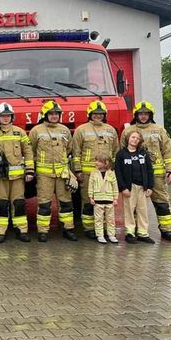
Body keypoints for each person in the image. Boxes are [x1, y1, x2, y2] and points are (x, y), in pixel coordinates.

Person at [120, 101, 171, 241]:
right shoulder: (128, 131)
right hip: (134, 175)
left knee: (161, 203)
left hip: (156, 174)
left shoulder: (159, 130)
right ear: (136, 115)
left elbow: (168, 151)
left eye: (146, 114)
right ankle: (135, 231)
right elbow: (122, 153)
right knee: (133, 205)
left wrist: (170, 170)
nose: (143, 116)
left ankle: (166, 230)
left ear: (150, 115)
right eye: (141, 113)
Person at [0, 103, 34, 243]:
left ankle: (21, 230)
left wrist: (29, 171)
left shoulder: (20, 132)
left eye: (8, 116)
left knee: (18, 203)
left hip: (17, 177)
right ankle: (1, 231)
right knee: (2, 203)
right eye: (3, 116)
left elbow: (28, 152)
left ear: (12, 117)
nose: (6, 118)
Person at [29, 101, 78, 242]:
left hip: (62, 173)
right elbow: (30, 151)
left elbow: (68, 149)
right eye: (51, 114)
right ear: (45, 115)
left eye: (57, 114)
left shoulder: (65, 130)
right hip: (44, 174)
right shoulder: (36, 131)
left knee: (66, 203)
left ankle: (68, 229)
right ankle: (43, 231)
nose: (54, 116)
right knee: (44, 203)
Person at [72, 101, 119, 239]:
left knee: (106, 201)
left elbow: (115, 151)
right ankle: (89, 228)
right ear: (90, 115)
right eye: (95, 114)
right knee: (88, 200)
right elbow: (76, 152)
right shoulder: (81, 130)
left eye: (100, 114)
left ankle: (104, 228)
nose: (98, 116)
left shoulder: (111, 130)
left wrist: (113, 170)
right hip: (88, 173)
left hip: (107, 174)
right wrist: (78, 171)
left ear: (104, 115)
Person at [115, 130, 155, 244]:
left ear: (140, 141)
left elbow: (149, 170)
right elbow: (118, 173)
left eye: (137, 138)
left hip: (142, 187)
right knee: (129, 211)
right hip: (129, 188)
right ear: (128, 139)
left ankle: (143, 233)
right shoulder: (121, 154)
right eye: (133, 137)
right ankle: (130, 233)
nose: (135, 140)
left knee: (143, 211)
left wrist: (150, 187)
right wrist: (123, 188)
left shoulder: (143, 154)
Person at [88, 154, 119, 244]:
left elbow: (115, 187)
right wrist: (91, 197)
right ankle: (100, 235)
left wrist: (115, 198)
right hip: (98, 200)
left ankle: (111, 235)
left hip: (109, 200)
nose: (96, 163)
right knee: (98, 219)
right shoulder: (93, 173)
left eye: (99, 161)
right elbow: (91, 186)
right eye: (96, 160)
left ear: (106, 163)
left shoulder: (111, 173)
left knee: (110, 219)